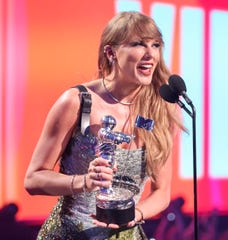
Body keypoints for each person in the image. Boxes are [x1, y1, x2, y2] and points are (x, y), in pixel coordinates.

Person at [24, 11, 184, 239]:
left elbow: (162, 192)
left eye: (155, 45)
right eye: (138, 44)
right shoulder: (77, 101)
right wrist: (83, 182)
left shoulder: (162, 109)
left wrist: (136, 214)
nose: (150, 55)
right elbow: (33, 179)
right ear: (111, 52)